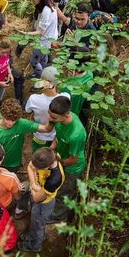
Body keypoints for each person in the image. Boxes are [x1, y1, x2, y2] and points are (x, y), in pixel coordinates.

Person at [0, 98, 54, 172]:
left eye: (14, 120)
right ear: (2, 115)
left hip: (14, 164)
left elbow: (46, 129)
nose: (10, 123)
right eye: (7, 119)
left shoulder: (21, 124)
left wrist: (52, 117)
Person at [47, 95, 87, 223]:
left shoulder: (76, 134)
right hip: (61, 158)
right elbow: (57, 137)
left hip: (72, 168)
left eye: (54, 118)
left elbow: (73, 159)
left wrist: (55, 164)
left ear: (66, 114)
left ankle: (59, 215)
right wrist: (51, 150)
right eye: (50, 114)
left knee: (63, 192)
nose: (50, 119)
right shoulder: (60, 121)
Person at [17, 148, 65, 252]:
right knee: (35, 222)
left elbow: (37, 197)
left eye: (37, 168)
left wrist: (34, 188)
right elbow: (30, 166)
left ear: (47, 166)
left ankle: (35, 245)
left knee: (38, 224)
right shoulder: (47, 155)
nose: (35, 168)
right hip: (39, 192)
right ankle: (32, 235)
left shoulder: (54, 178)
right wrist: (34, 184)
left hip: (44, 203)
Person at [25, 67, 70, 151]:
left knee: (38, 158)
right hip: (57, 137)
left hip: (40, 136)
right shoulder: (65, 97)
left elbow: (28, 111)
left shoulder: (33, 99)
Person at [22, 0, 58, 78]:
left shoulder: (46, 10)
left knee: (34, 60)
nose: (32, 0)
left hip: (45, 40)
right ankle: (42, 72)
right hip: (50, 37)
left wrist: (26, 34)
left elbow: (41, 32)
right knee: (43, 57)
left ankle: (39, 76)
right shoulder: (49, 5)